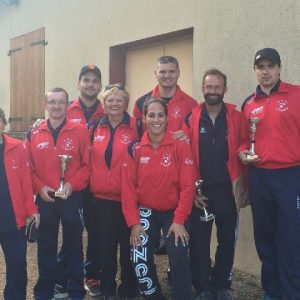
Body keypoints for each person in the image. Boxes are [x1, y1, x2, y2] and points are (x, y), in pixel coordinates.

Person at [238, 48, 300, 300]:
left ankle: (291, 293)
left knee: (290, 239)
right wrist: (243, 152)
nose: (266, 71)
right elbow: (244, 140)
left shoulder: (296, 95)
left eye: (270, 66)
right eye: (260, 67)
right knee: (264, 237)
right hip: (259, 176)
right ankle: (272, 292)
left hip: (290, 176)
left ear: (279, 68)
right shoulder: (249, 103)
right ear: (255, 71)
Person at [183, 69, 248, 300]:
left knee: (227, 240)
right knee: (199, 242)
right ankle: (203, 287)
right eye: (208, 87)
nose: (212, 91)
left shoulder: (236, 117)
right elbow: (186, 158)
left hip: (227, 191)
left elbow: (244, 144)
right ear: (203, 89)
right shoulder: (191, 118)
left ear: (225, 90)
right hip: (201, 193)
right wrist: (191, 190)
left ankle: (222, 285)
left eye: (217, 87)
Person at [122, 98, 195, 300]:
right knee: (139, 254)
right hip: (146, 210)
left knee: (178, 252)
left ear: (167, 118)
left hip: (174, 211)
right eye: (151, 115)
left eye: (160, 115)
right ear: (143, 118)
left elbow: (188, 185)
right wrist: (134, 223)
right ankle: (154, 296)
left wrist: (179, 220)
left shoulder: (179, 143)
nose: (156, 119)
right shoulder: (134, 148)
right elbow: (127, 189)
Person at [26, 87, 90, 300]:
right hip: (46, 199)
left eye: (61, 102)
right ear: (45, 105)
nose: (56, 106)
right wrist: (39, 187)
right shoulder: (34, 133)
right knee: (46, 247)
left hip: (72, 197)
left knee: (73, 246)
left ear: (67, 105)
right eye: (52, 102)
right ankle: (44, 292)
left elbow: (87, 167)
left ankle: (75, 292)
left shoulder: (79, 131)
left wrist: (72, 185)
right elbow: (29, 168)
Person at [56, 64, 104, 298]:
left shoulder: (108, 111)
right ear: (79, 83)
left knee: (95, 231)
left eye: (95, 81)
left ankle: (92, 274)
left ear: (100, 86)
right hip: (73, 183)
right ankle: (62, 276)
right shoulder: (66, 110)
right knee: (72, 232)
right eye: (86, 80)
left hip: (99, 184)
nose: (90, 84)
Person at [89, 84, 138, 299]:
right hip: (101, 201)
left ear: (125, 102)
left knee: (128, 249)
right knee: (105, 249)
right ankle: (108, 289)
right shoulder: (94, 127)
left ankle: (128, 289)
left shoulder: (137, 126)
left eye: (119, 99)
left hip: (129, 200)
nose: (114, 103)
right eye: (110, 99)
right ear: (104, 102)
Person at [0, 108, 40, 300]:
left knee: (17, 268)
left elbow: (26, 182)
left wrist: (32, 210)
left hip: (12, 219)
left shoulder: (18, 147)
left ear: (4, 123)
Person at [133, 55, 197, 135]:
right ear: (156, 74)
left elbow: (195, 137)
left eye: (171, 71)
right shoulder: (141, 103)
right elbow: (136, 137)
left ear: (178, 73)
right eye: (162, 72)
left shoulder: (192, 104)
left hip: (180, 148)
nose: (167, 76)